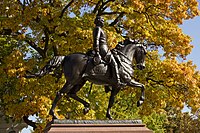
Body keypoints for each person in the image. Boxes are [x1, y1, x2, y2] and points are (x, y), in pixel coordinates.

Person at [93, 16, 124, 87]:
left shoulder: (100, 29)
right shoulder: (98, 29)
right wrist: (97, 50)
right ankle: (117, 81)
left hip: (105, 48)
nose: (103, 22)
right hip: (102, 49)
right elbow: (96, 39)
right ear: (98, 21)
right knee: (114, 63)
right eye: (102, 20)